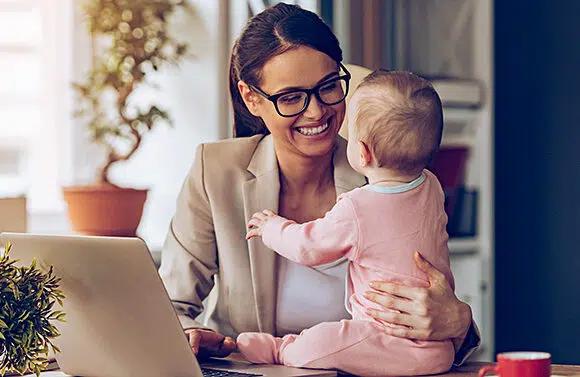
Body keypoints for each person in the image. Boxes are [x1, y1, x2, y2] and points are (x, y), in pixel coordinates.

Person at [158, 2, 479, 366]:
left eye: (328, 86)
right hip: (254, 371)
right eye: (291, 97)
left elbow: (436, 295)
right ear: (252, 98)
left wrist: (459, 320)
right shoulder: (214, 171)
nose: (316, 112)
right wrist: (190, 335)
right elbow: (170, 304)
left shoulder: (390, 175)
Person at [237, 70, 454, 376]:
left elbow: (308, 247)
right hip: (438, 348)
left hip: (384, 336)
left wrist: (271, 227)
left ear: (362, 152)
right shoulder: (431, 187)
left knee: (327, 339)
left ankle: (281, 349)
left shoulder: (357, 206)